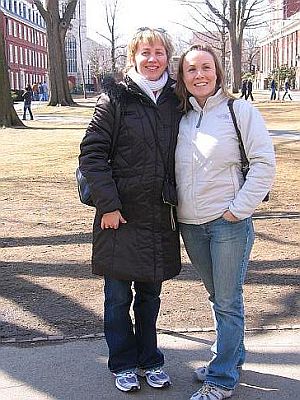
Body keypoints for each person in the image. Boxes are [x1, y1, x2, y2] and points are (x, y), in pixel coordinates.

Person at [78, 28, 181, 393]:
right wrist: (108, 204)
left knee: (150, 297)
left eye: (159, 52)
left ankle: (150, 359)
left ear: (168, 57)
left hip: (159, 218)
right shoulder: (114, 99)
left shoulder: (177, 99)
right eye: (145, 52)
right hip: (119, 216)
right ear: (133, 57)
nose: (153, 59)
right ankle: (122, 361)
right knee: (118, 297)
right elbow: (92, 155)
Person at [175, 44, 276, 400]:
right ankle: (230, 359)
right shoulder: (180, 117)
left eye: (205, 67)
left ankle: (220, 380)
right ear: (182, 77)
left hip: (228, 223)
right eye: (191, 70)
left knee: (228, 300)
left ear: (217, 72)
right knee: (217, 296)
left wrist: (238, 209)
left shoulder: (239, 110)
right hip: (190, 223)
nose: (199, 75)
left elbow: (264, 163)